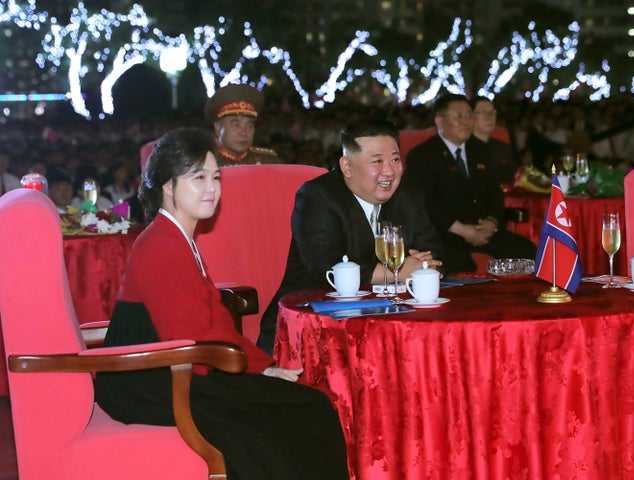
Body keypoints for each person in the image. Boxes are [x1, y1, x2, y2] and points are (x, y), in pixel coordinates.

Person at [94, 127, 349, 480]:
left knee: (304, 406)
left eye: (216, 176)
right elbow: (190, 335)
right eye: (198, 178)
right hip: (154, 381)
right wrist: (249, 373)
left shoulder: (177, 237)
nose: (212, 187)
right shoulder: (162, 246)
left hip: (181, 365)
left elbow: (213, 319)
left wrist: (262, 367)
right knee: (300, 413)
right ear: (168, 186)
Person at [256, 119, 444, 354]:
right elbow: (326, 268)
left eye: (395, 159)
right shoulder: (318, 196)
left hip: (391, 321)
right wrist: (397, 272)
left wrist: (421, 264)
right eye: (377, 161)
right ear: (347, 167)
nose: (389, 171)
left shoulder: (408, 193)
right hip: (313, 323)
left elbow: (433, 249)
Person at [405, 93, 536, 274]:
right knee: (458, 261)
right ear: (440, 122)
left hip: (483, 229)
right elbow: (426, 202)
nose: (466, 121)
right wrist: (462, 230)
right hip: (446, 231)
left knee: (525, 251)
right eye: (458, 116)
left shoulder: (479, 150)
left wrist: (492, 221)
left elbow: (495, 192)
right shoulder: (423, 155)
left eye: (469, 115)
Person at [204, 83, 281, 164]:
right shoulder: (204, 162)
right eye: (236, 125)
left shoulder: (267, 162)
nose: (244, 132)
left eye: (249, 126)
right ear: (218, 128)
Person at [470, 96, 519, 187]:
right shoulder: (462, 147)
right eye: (484, 113)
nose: (490, 117)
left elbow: (513, 178)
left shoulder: (503, 147)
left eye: (493, 113)